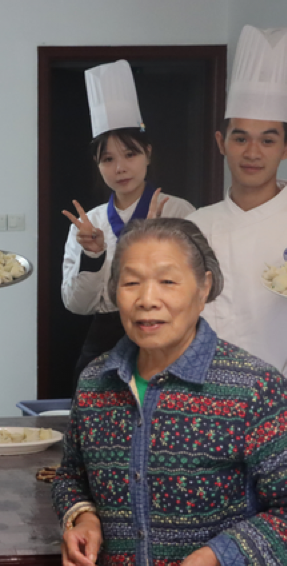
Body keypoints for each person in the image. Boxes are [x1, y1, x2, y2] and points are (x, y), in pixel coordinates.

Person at [52, 218, 287, 566]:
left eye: (168, 281)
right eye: (131, 282)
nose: (147, 299)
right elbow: (71, 477)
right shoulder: (96, 382)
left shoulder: (255, 388)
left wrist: (219, 556)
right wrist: (83, 517)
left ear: (204, 289)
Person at [186, 27, 287, 565]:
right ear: (221, 142)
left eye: (268, 139)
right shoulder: (196, 226)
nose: (252, 152)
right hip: (210, 404)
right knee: (214, 540)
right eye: (240, 138)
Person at [62, 60, 195, 387]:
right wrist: (93, 256)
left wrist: (154, 245)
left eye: (130, 155)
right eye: (108, 159)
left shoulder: (179, 212)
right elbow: (76, 305)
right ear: (97, 165)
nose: (120, 168)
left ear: (148, 153)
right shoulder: (88, 223)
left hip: (166, 337)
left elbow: (197, 291)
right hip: (104, 341)